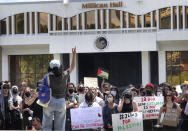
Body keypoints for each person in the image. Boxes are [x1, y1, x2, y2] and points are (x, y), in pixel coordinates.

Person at [42, 47, 76, 130]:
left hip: (50, 101)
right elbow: (72, 66)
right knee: (60, 127)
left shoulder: (47, 76)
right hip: (61, 102)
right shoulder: (64, 74)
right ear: (60, 66)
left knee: (47, 125)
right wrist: (74, 54)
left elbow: (43, 89)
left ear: (50, 67)